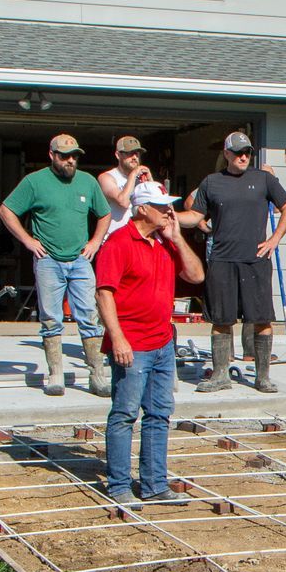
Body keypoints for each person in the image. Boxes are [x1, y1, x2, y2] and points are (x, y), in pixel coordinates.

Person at [94, 179, 205, 504]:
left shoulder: (165, 242)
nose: (168, 211)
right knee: (126, 413)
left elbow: (197, 276)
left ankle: (155, 485)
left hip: (161, 343)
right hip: (132, 343)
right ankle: (118, 486)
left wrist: (178, 237)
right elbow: (104, 294)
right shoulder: (118, 242)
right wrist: (118, 339)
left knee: (158, 414)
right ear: (142, 209)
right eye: (161, 207)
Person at [178, 130, 286, 394]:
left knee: (262, 319)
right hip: (221, 259)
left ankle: (262, 377)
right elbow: (195, 214)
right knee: (221, 319)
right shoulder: (211, 182)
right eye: (238, 152)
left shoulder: (264, 179)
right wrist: (170, 218)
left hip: (255, 260)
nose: (244, 157)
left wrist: (275, 239)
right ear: (227, 154)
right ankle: (220, 375)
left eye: (247, 153)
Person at [0, 134, 112, 397]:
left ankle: (97, 375)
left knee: (90, 317)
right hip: (48, 259)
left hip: (81, 259)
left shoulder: (87, 182)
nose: (70, 160)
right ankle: (55, 374)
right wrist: (27, 240)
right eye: (64, 156)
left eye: (74, 156)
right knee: (51, 319)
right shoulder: (34, 182)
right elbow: (6, 210)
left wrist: (95, 241)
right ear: (52, 156)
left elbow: (104, 213)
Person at [98, 135, 153, 231]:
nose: (134, 157)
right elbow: (123, 202)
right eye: (129, 153)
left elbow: (158, 205)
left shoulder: (143, 178)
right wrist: (133, 174)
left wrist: (151, 180)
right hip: (114, 237)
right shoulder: (107, 177)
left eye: (137, 153)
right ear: (118, 155)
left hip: (137, 238)